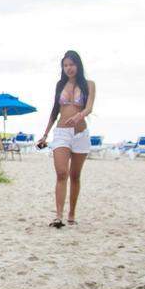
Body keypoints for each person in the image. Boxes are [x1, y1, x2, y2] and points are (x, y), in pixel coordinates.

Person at [37, 50, 96, 228]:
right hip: (61, 133)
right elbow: (54, 111)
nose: (69, 68)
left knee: (75, 176)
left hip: (80, 134)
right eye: (65, 65)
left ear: (78, 65)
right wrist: (45, 134)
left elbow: (89, 108)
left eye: (72, 64)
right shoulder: (59, 85)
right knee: (62, 173)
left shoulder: (89, 84)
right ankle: (58, 216)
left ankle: (72, 214)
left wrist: (79, 116)